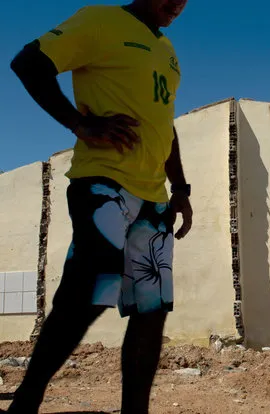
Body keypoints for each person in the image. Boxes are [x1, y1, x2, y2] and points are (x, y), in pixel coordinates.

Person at [8, 0, 191, 412]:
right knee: (89, 295)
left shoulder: (168, 51)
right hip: (103, 184)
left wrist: (180, 187)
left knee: (151, 310)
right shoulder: (100, 19)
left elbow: (164, 122)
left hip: (154, 199)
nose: (178, 3)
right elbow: (28, 62)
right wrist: (79, 124)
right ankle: (27, 398)